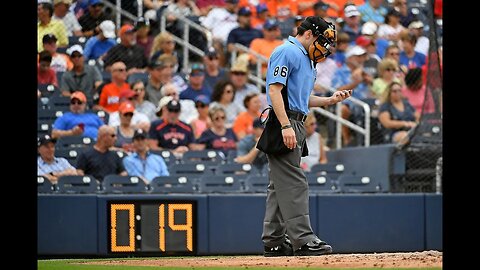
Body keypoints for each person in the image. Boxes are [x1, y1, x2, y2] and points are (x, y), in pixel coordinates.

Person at [260, 16, 351, 256]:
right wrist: (285, 126)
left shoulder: (307, 59)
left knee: (278, 185)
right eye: (322, 40)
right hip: (285, 121)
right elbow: (274, 90)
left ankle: (274, 240)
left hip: (296, 119)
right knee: (294, 182)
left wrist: (330, 100)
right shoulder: (287, 51)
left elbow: (303, 98)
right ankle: (303, 239)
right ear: (309, 34)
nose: (325, 48)